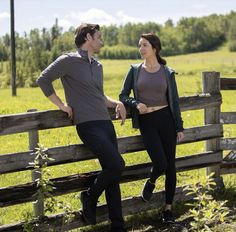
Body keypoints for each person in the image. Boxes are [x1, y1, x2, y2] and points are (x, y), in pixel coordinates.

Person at [37, 23, 127, 232]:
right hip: (87, 125)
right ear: (88, 37)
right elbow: (43, 80)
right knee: (117, 165)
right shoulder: (68, 60)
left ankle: (118, 225)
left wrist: (118, 103)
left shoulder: (97, 65)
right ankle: (89, 196)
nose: (102, 41)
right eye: (99, 37)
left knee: (112, 173)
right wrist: (62, 105)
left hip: (105, 124)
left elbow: (100, 97)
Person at [119, 32, 184, 224]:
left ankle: (168, 209)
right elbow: (123, 95)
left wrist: (179, 127)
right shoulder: (135, 70)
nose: (141, 49)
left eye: (144, 45)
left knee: (170, 165)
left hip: (166, 120)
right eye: (139, 45)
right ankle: (151, 181)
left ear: (154, 48)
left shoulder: (167, 72)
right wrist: (135, 103)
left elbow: (175, 102)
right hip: (147, 122)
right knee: (160, 162)